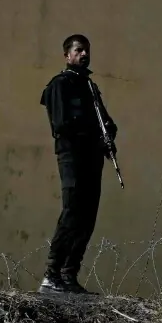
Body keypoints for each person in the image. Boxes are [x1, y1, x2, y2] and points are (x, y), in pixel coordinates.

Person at [39, 34, 116, 295]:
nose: (84, 55)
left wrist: (107, 136)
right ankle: (52, 275)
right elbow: (62, 124)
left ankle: (68, 275)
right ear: (67, 55)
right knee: (72, 212)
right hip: (72, 156)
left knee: (87, 217)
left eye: (87, 51)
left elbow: (107, 121)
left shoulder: (90, 88)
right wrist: (92, 135)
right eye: (79, 50)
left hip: (92, 158)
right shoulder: (59, 85)